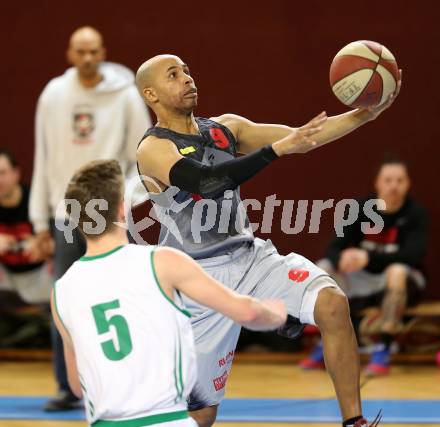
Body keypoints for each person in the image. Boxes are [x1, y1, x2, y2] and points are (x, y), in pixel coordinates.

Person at [135, 54, 401, 427]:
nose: (187, 78)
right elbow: (206, 182)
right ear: (151, 94)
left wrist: (363, 115)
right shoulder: (153, 148)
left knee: (332, 302)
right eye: (174, 75)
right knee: (202, 413)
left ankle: (353, 422)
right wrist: (276, 150)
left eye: (188, 71)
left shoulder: (226, 128)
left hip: (249, 257)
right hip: (196, 280)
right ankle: (275, 319)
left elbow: (304, 138)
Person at [52, 159, 287, 427]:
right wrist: (277, 314)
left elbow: (77, 385)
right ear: (122, 210)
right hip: (166, 420)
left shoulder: (61, 291)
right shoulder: (161, 262)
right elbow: (247, 311)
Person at [29, 26, 151, 411]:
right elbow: (43, 158)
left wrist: (124, 199)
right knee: (65, 302)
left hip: (109, 215)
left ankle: (126, 386)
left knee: (119, 298)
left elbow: (145, 153)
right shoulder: (54, 94)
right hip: (66, 216)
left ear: (103, 52)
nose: (87, 58)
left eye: (94, 51)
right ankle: (69, 387)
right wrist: (39, 221)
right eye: (80, 51)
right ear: (70, 53)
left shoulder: (126, 94)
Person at [300, 156, 428, 376]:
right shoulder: (360, 208)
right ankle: (326, 343)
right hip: (361, 278)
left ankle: (384, 347)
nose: (394, 186)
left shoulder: (415, 213)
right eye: (388, 180)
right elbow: (334, 246)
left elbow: (412, 255)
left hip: (402, 279)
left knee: (396, 270)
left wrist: (367, 257)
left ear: (408, 184)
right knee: (324, 266)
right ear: (378, 182)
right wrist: (343, 259)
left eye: (399, 180)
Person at [0, 149, 53, 305]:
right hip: (6, 280)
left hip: (41, 277)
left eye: (2, 173)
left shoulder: (37, 202)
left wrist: (44, 245)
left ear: (16, 174)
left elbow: (67, 244)